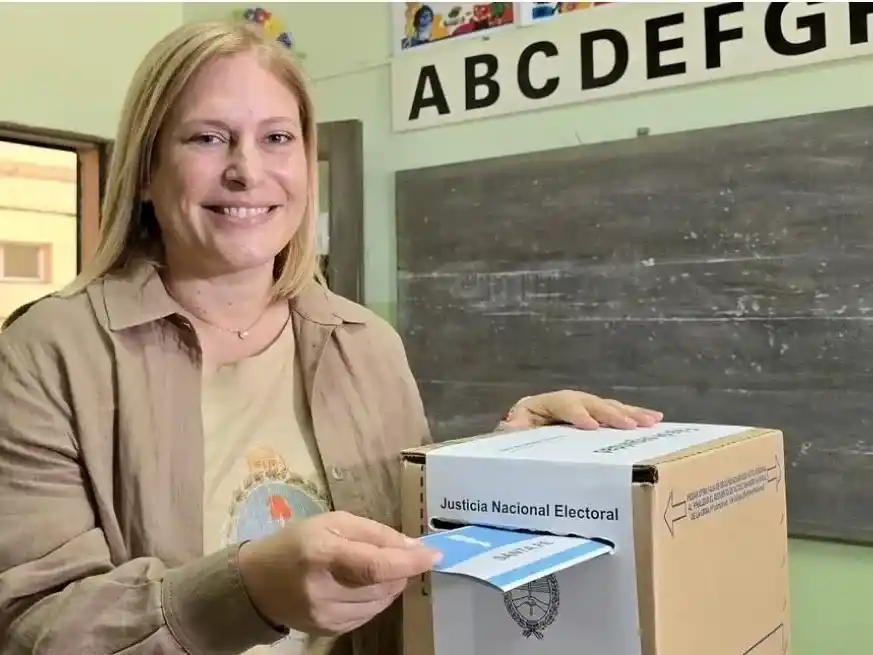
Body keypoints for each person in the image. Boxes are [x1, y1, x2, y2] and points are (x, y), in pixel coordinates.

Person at [0, 20, 663, 655]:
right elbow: (33, 628)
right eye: (207, 138)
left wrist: (506, 464)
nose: (247, 171)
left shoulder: (364, 342)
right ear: (144, 171)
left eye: (277, 139)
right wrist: (248, 590)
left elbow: (407, 542)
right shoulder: (48, 352)